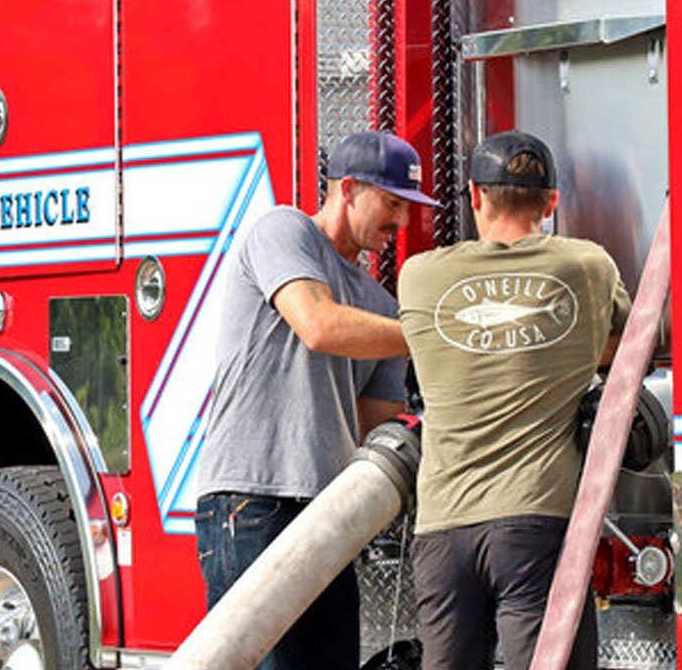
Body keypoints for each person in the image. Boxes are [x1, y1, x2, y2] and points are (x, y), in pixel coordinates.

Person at [194, 131, 438, 670]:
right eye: (392, 203)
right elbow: (318, 325)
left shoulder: (384, 310)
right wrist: (430, 334)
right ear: (347, 189)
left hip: (328, 513)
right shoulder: (283, 230)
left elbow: (368, 433)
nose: (401, 221)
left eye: (409, 208)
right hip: (250, 501)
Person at [397, 131, 630, 670]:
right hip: (536, 522)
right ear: (552, 203)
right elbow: (629, 339)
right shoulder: (587, 267)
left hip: (443, 529)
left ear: (475, 195)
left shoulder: (421, 275)